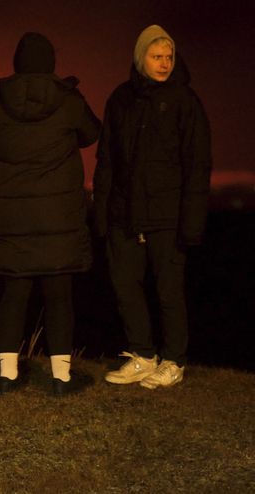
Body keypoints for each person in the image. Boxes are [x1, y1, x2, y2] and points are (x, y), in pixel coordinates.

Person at [0, 32, 102, 396]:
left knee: (14, 293)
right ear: (51, 63)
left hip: (13, 222)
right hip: (58, 218)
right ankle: (61, 379)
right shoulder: (69, 100)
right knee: (60, 296)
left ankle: (7, 375)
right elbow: (92, 134)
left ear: (17, 62)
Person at [93, 24, 212, 389]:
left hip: (167, 215)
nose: (164, 63)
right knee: (125, 284)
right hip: (124, 213)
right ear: (140, 57)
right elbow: (107, 159)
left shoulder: (185, 101)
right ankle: (143, 356)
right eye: (156, 56)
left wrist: (191, 222)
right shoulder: (121, 99)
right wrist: (101, 213)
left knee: (168, 289)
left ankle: (174, 361)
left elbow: (197, 163)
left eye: (169, 57)